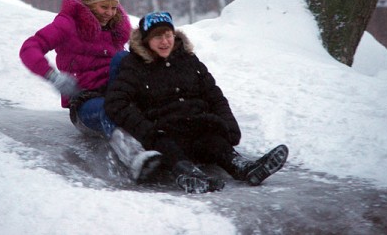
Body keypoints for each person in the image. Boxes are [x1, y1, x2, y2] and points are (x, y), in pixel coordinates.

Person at [104, 11, 289, 193]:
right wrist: (147, 131)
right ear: (145, 40)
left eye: (168, 35)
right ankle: (188, 175)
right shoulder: (134, 66)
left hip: (199, 125)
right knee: (169, 148)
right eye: (157, 36)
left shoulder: (188, 60)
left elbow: (214, 96)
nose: (164, 41)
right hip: (164, 130)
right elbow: (116, 103)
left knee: (215, 142)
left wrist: (230, 126)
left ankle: (245, 168)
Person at [19, 0, 161, 181]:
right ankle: (135, 157)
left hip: (116, 93)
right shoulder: (67, 24)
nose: (110, 13)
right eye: (104, 7)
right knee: (109, 110)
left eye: (114, 7)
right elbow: (29, 48)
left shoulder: (117, 26)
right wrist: (53, 77)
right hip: (86, 102)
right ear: (89, 3)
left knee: (124, 59)